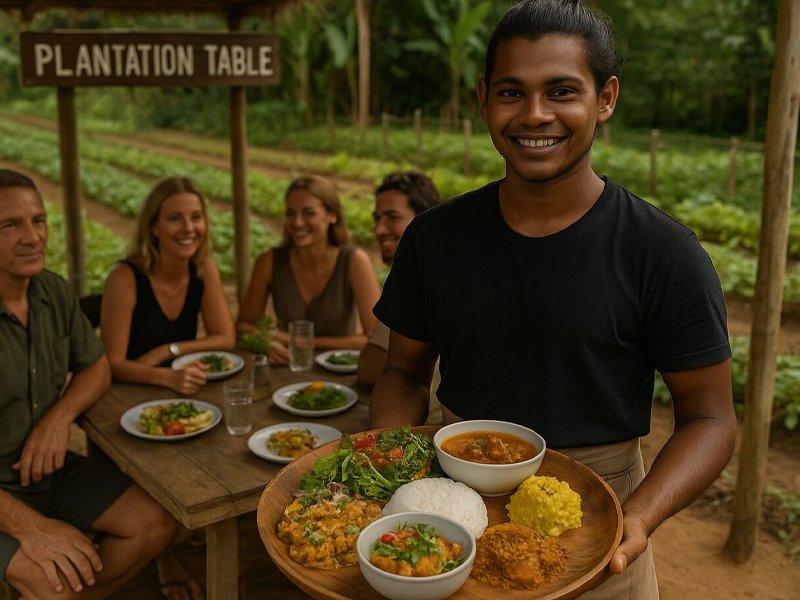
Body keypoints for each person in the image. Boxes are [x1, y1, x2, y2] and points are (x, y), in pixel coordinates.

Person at [369, 2, 736, 599]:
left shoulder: (663, 253)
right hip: (453, 507)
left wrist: (637, 518)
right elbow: (403, 370)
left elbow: (711, 419)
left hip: (601, 516)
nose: (535, 114)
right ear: (485, 99)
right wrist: (390, 458)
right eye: (512, 92)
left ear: (606, 98)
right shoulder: (434, 239)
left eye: (562, 91)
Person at [0, 168, 175, 599]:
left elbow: (96, 366)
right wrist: (34, 527)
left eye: (38, 221)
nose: (32, 237)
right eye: (9, 225)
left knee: (156, 522)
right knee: (52, 582)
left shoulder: (51, 292)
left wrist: (58, 418)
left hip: (46, 473)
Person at [101, 176, 236, 396]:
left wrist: (167, 351)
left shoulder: (204, 268)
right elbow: (113, 364)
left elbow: (225, 338)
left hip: (183, 388)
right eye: (175, 219)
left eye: (196, 217)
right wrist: (166, 377)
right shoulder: (124, 278)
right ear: (154, 226)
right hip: (130, 394)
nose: (188, 228)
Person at [238, 175, 381, 365]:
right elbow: (243, 326)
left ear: (332, 215)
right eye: (290, 213)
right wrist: (267, 343)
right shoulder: (269, 261)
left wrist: (301, 342)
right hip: (286, 368)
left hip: (339, 373)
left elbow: (375, 341)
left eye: (308, 213)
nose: (297, 222)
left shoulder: (354, 261)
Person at [356, 171, 443, 424]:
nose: (379, 230)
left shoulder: (425, 278)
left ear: (425, 220)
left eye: (392, 218)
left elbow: (369, 367)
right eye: (377, 219)